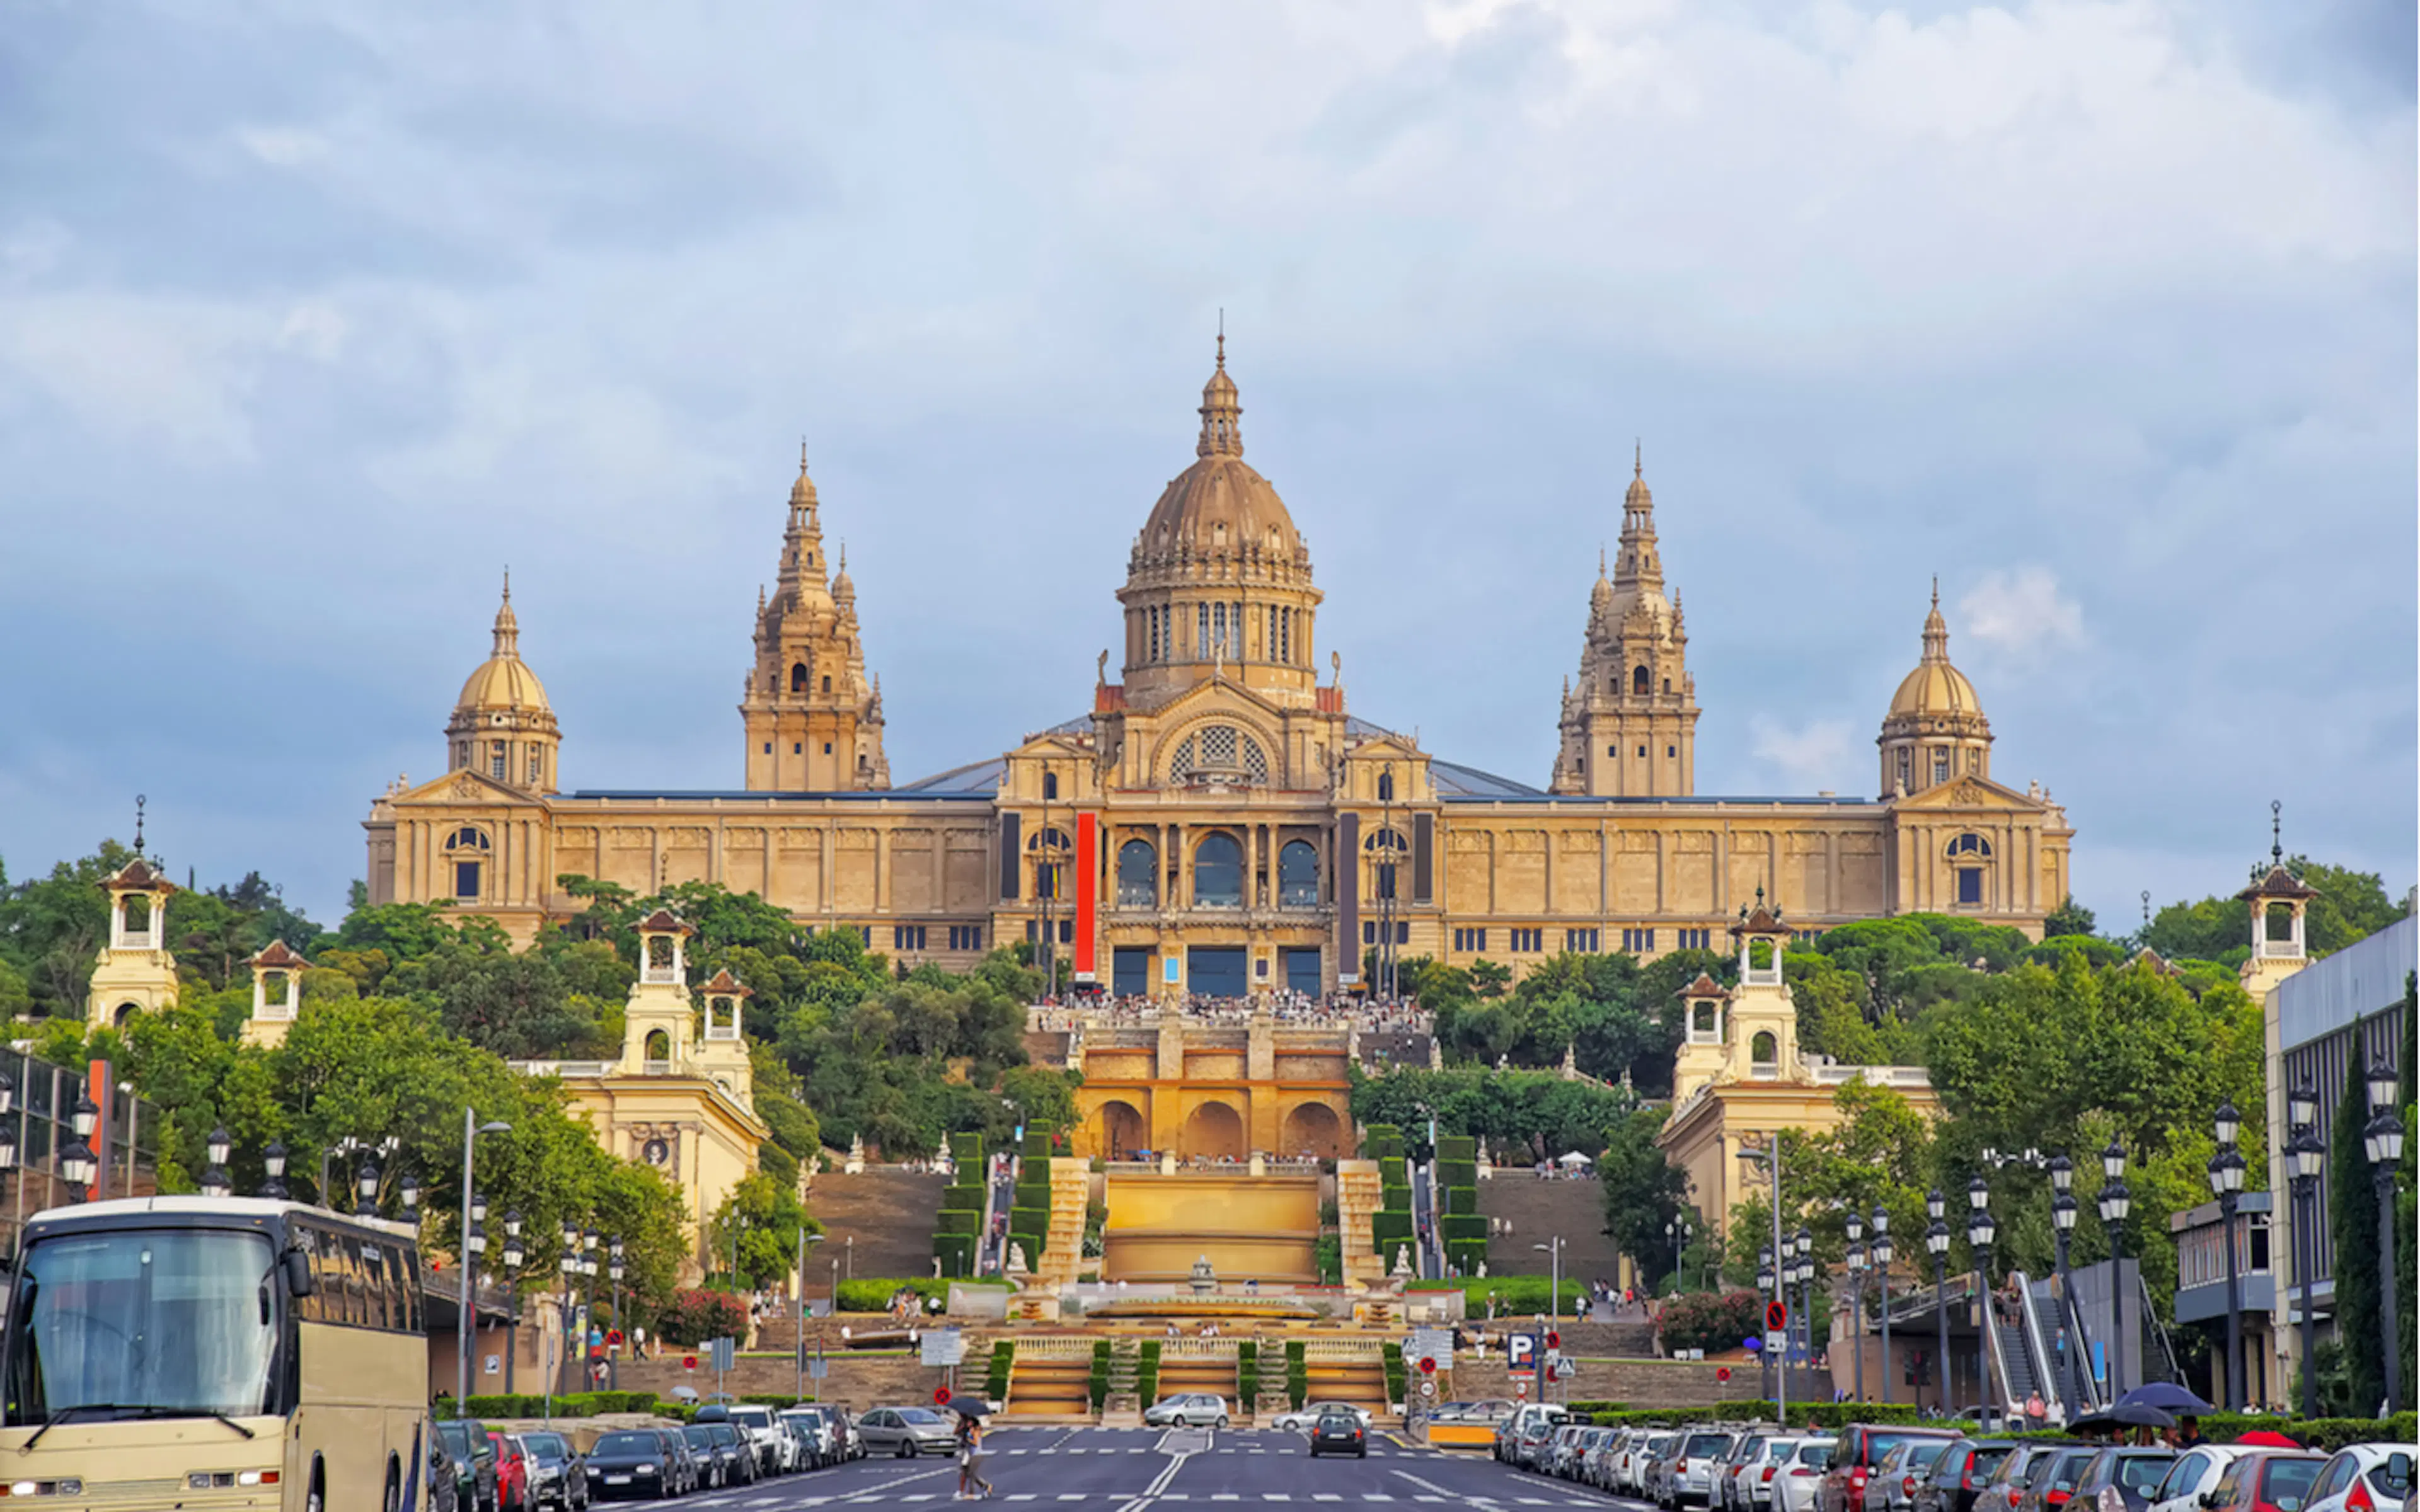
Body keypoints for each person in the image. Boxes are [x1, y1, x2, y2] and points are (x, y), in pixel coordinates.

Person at [955, 1414, 992, 1499]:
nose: (968, 1423)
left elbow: (975, 1442)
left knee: (971, 1474)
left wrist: (969, 1439)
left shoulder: (976, 1431)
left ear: (973, 1423)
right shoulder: (969, 1430)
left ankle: (971, 1493)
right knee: (968, 1473)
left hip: (976, 1454)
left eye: (969, 1422)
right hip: (970, 1453)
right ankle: (986, 1486)